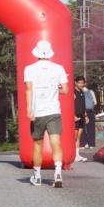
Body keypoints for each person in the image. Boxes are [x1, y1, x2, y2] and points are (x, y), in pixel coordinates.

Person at [23, 40, 69, 187]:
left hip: (38, 112)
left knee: (37, 144)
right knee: (56, 143)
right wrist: (55, 90)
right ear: (50, 53)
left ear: (36, 52)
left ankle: (37, 176)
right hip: (54, 111)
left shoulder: (29, 69)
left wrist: (29, 108)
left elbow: (29, 89)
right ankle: (57, 174)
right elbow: (66, 90)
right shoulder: (59, 68)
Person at [72, 76, 88, 163]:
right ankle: (73, 155)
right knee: (74, 137)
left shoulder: (82, 92)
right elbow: (70, 105)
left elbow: (83, 105)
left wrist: (86, 116)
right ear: (75, 83)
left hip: (81, 116)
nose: (81, 84)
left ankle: (77, 155)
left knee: (78, 137)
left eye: (83, 83)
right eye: (79, 82)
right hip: (75, 116)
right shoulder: (73, 92)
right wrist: (73, 116)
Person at [82, 80, 97, 148]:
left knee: (82, 127)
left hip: (81, 111)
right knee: (91, 128)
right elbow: (95, 102)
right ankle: (91, 144)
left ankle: (84, 143)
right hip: (90, 111)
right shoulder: (91, 92)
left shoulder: (78, 92)